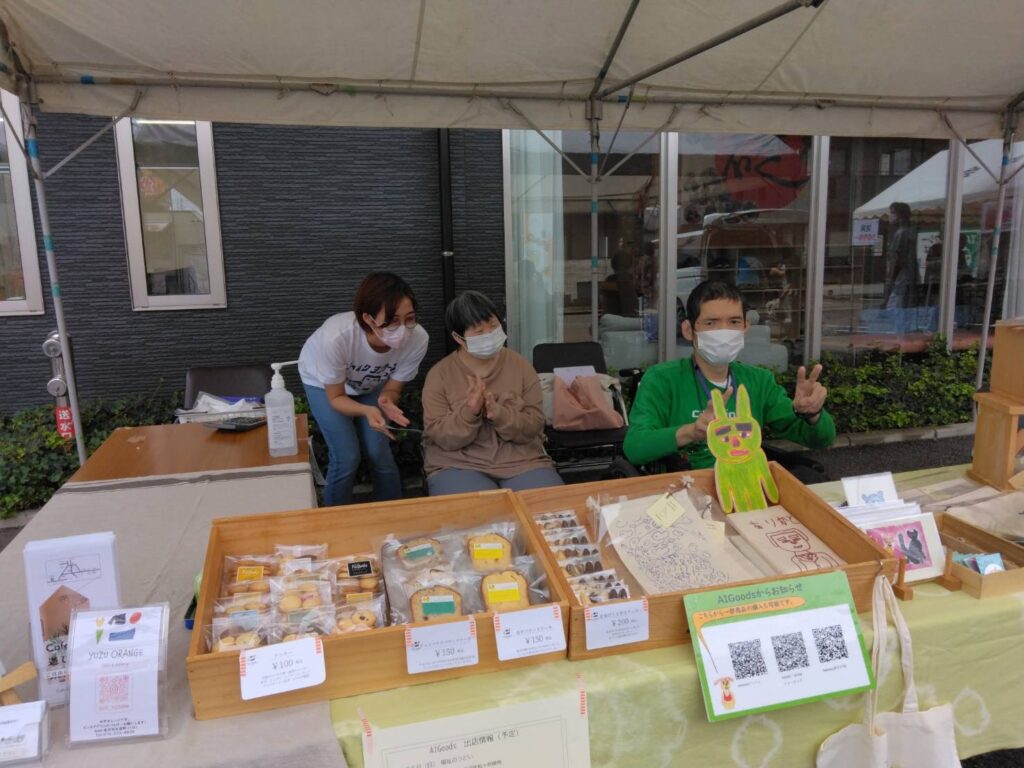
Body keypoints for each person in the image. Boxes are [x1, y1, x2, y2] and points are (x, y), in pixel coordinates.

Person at [623, 279, 835, 472]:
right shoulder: (662, 379)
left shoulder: (758, 381)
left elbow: (822, 440)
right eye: (711, 322)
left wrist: (812, 414)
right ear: (688, 330)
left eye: (734, 322)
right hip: (686, 489)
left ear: (745, 326)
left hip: (748, 486)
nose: (723, 332)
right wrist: (691, 432)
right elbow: (635, 447)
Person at [298, 273, 429, 505]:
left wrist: (387, 400)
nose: (403, 329)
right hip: (323, 383)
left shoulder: (418, 339)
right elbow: (336, 397)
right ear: (368, 318)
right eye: (392, 321)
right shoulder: (337, 337)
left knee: (378, 451)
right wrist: (367, 411)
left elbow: (393, 388)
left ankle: (392, 514)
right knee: (346, 456)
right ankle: (334, 519)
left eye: (409, 319)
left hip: (371, 384)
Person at [421, 290, 563, 495]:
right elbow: (440, 436)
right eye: (479, 331)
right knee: (479, 511)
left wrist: (500, 413)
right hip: (458, 464)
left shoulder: (520, 365)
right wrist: (471, 411)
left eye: (494, 326)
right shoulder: (440, 375)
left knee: (550, 505)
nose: (489, 334)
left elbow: (534, 424)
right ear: (458, 338)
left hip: (523, 460)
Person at [885, 202, 917, 310]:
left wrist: (891, 278)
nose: (891, 216)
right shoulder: (909, 231)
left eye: (893, 213)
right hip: (906, 278)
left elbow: (898, 259)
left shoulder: (902, 233)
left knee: (894, 308)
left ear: (901, 215)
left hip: (901, 279)